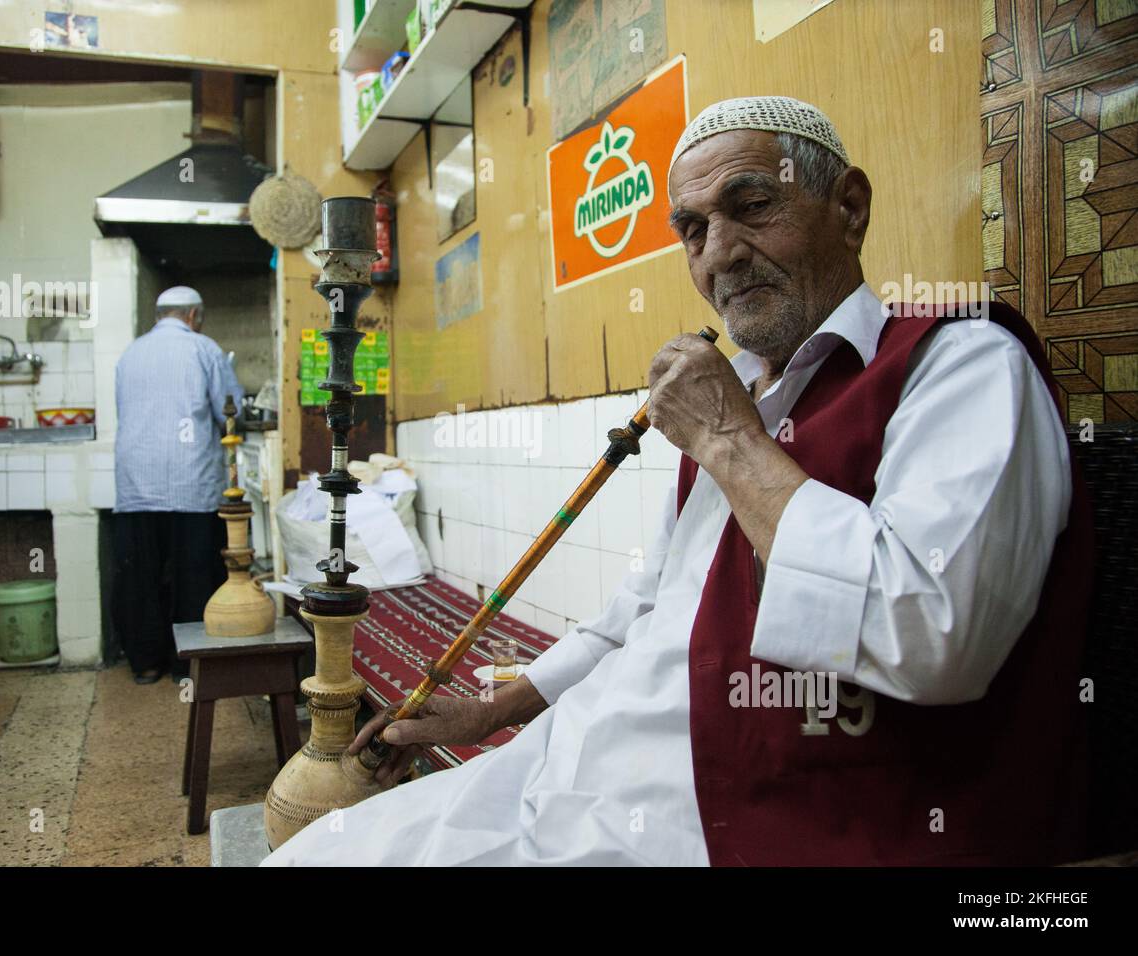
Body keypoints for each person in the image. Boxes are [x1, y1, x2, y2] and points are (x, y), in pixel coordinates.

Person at [264, 97, 1090, 866]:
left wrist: (729, 439)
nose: (720, 252)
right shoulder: (744, 397)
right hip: (572, 770)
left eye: (753, 205)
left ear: (849, 206)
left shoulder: (961, 365)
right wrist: (498, 710)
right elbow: (651, 606)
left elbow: (934, 637)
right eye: (692, 230)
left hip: (731, 825)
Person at [112, 286, 243, 684]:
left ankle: (146, 663)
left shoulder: (129, 354)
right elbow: (229, 410)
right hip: (191, 481)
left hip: (137, 483)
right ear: (192, 315)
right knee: (195, 573)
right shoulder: (204, 349)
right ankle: (191, 666)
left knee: (140, 575)